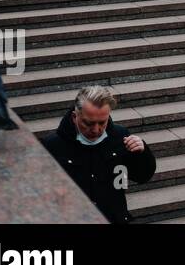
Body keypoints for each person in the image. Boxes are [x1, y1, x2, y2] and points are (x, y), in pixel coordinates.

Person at [40, 85, 157, 224]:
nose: (96, 130)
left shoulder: (120, 136)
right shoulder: (52, 145)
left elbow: (142, 176)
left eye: (102, 122)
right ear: (74, 117)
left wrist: (142, 153)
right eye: (88, 123)